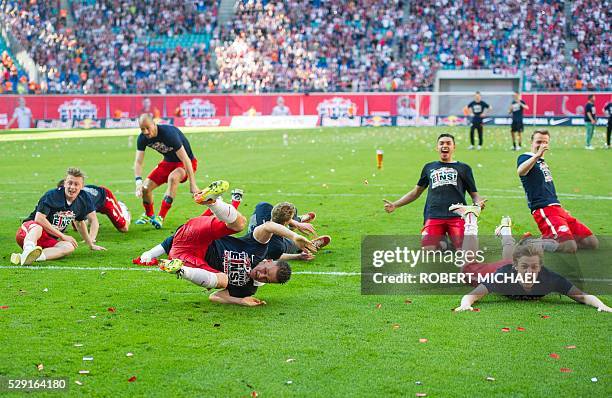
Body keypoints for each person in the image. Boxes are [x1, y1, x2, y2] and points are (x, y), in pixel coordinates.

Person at [138, 180, 317, 306]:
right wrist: (294, 237)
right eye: (265, 271)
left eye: (266, 279)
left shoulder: (247, 289)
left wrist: (240, 300)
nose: (261, 275)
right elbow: (269, 226)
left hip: (185, 258)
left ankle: (178, 270)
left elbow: (215, 297)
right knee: (240, 223)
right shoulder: (258, 250)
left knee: (223, 281)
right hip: (198, 236)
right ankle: (211, 201)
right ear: (268, 261)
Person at [452, 207, 611, 313]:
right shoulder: (502, 275)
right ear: (516, 267)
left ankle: (505, 230)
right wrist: (465, 304)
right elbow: (472, 296)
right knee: (466, 272)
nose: (530, 272)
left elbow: (582, 296)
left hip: (511, 263)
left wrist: (601, 305)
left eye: (534, 267)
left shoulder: (549, 278)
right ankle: (471, 218)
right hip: (504, 267)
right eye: (525, 267)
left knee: (510, 257)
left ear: (541, 266)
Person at [383, 133, 485, 250]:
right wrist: (395, 204)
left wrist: (478, 203)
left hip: (457, 216)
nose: (444, 146)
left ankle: (452, 241)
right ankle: (443, 242)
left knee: (463, 249)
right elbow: (416, 192)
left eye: (448, 143)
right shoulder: (429, 167)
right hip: (434, 214)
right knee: (428, 249)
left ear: (454, 147)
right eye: (441, 143)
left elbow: (475, 195)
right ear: (437, 147)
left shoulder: (464, 168)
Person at [517, 129, 598, 253]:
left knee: (591, 242)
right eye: (538, 141)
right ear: (531, 142)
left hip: (557, 209)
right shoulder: (525, 157)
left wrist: (560, 207)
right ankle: (530, 242)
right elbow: (521, 171)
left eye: (545, 142)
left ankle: (552, 240)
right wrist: (537, 155)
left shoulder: (542, 162)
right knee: (569, 247)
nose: (542, 145)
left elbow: (547, 188)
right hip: (544, 209)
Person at [10, 168, 106, 265]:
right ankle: (28, 249)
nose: (72, 187)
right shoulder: (52, 195)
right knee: (38, 227)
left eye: (76, 184)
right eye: (70, 183)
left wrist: (90, 244)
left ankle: (32, 257)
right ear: (65, 183)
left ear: (82, 186)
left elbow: (80, 222)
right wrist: (62, 236)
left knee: (69, 247)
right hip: (28, 233)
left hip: (47, 240)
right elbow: (39, 219)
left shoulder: (83, 199)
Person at [133, 114, 199, 228]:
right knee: (145, 188)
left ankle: (161, 217)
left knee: (173, 178)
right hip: (167, 162)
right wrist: (138, 182)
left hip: (185, 163)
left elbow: (185, 159)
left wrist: (193, 184)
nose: (146, 132)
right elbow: (138, 162)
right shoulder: (142, 138)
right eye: (142, 129)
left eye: (148, 128)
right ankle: (149, 215)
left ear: (154, 124)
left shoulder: (169, 134)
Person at [247, 201, 330, 261]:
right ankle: (309, 244)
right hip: (268, 243)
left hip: (253, 234)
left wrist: (297, 224)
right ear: (286, 222)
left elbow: (273, 220)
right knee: (296, 244)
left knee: (292, 210)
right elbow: (273, 256)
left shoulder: (263, 207)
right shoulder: (276, 245)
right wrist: (298, 256)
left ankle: (298, 220)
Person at [57, 180, 131, 239]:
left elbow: (94, 221)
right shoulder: (59, 197)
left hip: (105, 199)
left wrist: (91, 239)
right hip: (91, 202)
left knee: (123, 228)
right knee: (78, 227)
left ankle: (121, 207)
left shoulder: (84, 199)